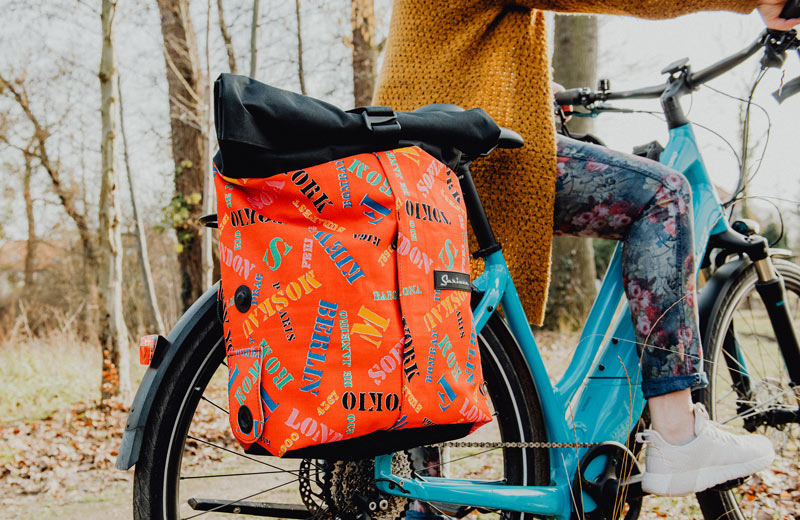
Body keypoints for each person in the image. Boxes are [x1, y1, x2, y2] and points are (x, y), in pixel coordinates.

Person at [372, 0, 800, 501]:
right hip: (469, 151)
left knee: (440, 323)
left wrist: (536, 91)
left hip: (411, 157)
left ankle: (425, 497)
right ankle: (679, 433)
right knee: (664, 194)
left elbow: (460, 43)